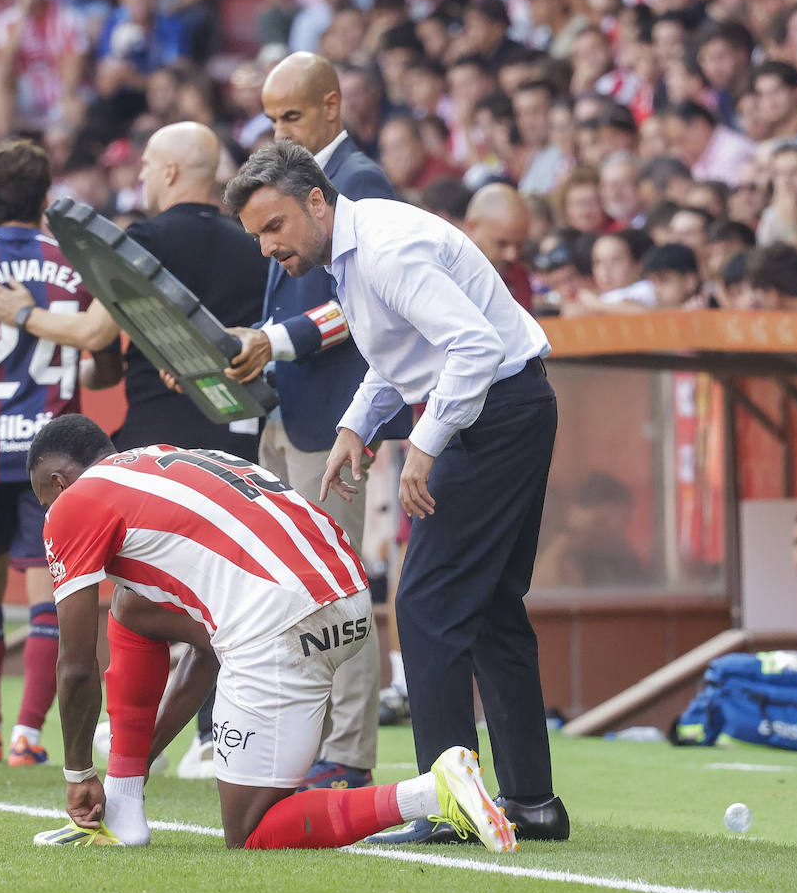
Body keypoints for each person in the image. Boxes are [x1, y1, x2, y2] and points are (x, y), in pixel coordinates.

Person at [226, 141, 569, 843]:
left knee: (426, 605)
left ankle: (447, 807)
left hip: (494, 412)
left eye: (275, 226)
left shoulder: (383, 249)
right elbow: (401, 356)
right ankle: (532, 801)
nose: (268, 247)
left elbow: (472, 348)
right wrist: (359, 426)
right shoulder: (358, 245)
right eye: (258, 235)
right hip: (507, 408)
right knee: (491, 609)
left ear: (316, 201)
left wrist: (424, 445)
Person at [25, 414, 518, 854]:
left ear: (58, 481)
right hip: (347, 597)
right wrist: (124, 775)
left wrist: (78, 776)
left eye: (46, 500)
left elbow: (76, 667)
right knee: (133, 607)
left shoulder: (75, 504)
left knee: (251, 831)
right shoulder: (166, 458)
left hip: (280, 620)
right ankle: (125, 807)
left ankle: (433, 791)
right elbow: (209, 644)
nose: (50, 513)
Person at [0, 120, 268, 777]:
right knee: (223, 591)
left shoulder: (142, 240)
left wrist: (20, 313)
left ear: (170, 173)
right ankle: (216, 733)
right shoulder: (250, 242)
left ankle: (129, 730)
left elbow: (91, 333)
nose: (138, 175)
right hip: (236, 436)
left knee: (144, 596)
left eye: (144, 165)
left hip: (160, 441)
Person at [220, 51, 405, 790]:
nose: (278, 130)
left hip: (336, 416)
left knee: (337, 585)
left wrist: (275, 341)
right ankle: (311, 741)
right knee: (300, 586)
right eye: (269, 118)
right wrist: (256, 348)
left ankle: (351, 753)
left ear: (333, 105)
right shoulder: (294, 183)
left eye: (290, 115)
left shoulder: (358, 183)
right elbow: (287, 307)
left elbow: (362, 307)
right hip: (293, 409)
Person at [0, 139, 120, 768]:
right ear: (46, 198)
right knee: (45, 587)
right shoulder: (73, 265)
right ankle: (30, 732)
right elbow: (105, 372)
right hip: (49, 454)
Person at [0, 0, 88, 140]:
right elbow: (2, 62)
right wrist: (22, 18)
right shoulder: (5, 21)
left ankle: (68, 153)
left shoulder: (69, 18)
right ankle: (2, 140)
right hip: (25, 90)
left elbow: (74, 61)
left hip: (58, 87)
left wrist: (66, 95)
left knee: (76, 107)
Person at [465, 183, 534, 311]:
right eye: (501, 243)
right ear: (471, 227)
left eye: (519, 245)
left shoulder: (518, 275)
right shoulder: (444, 274)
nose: (512, 255)